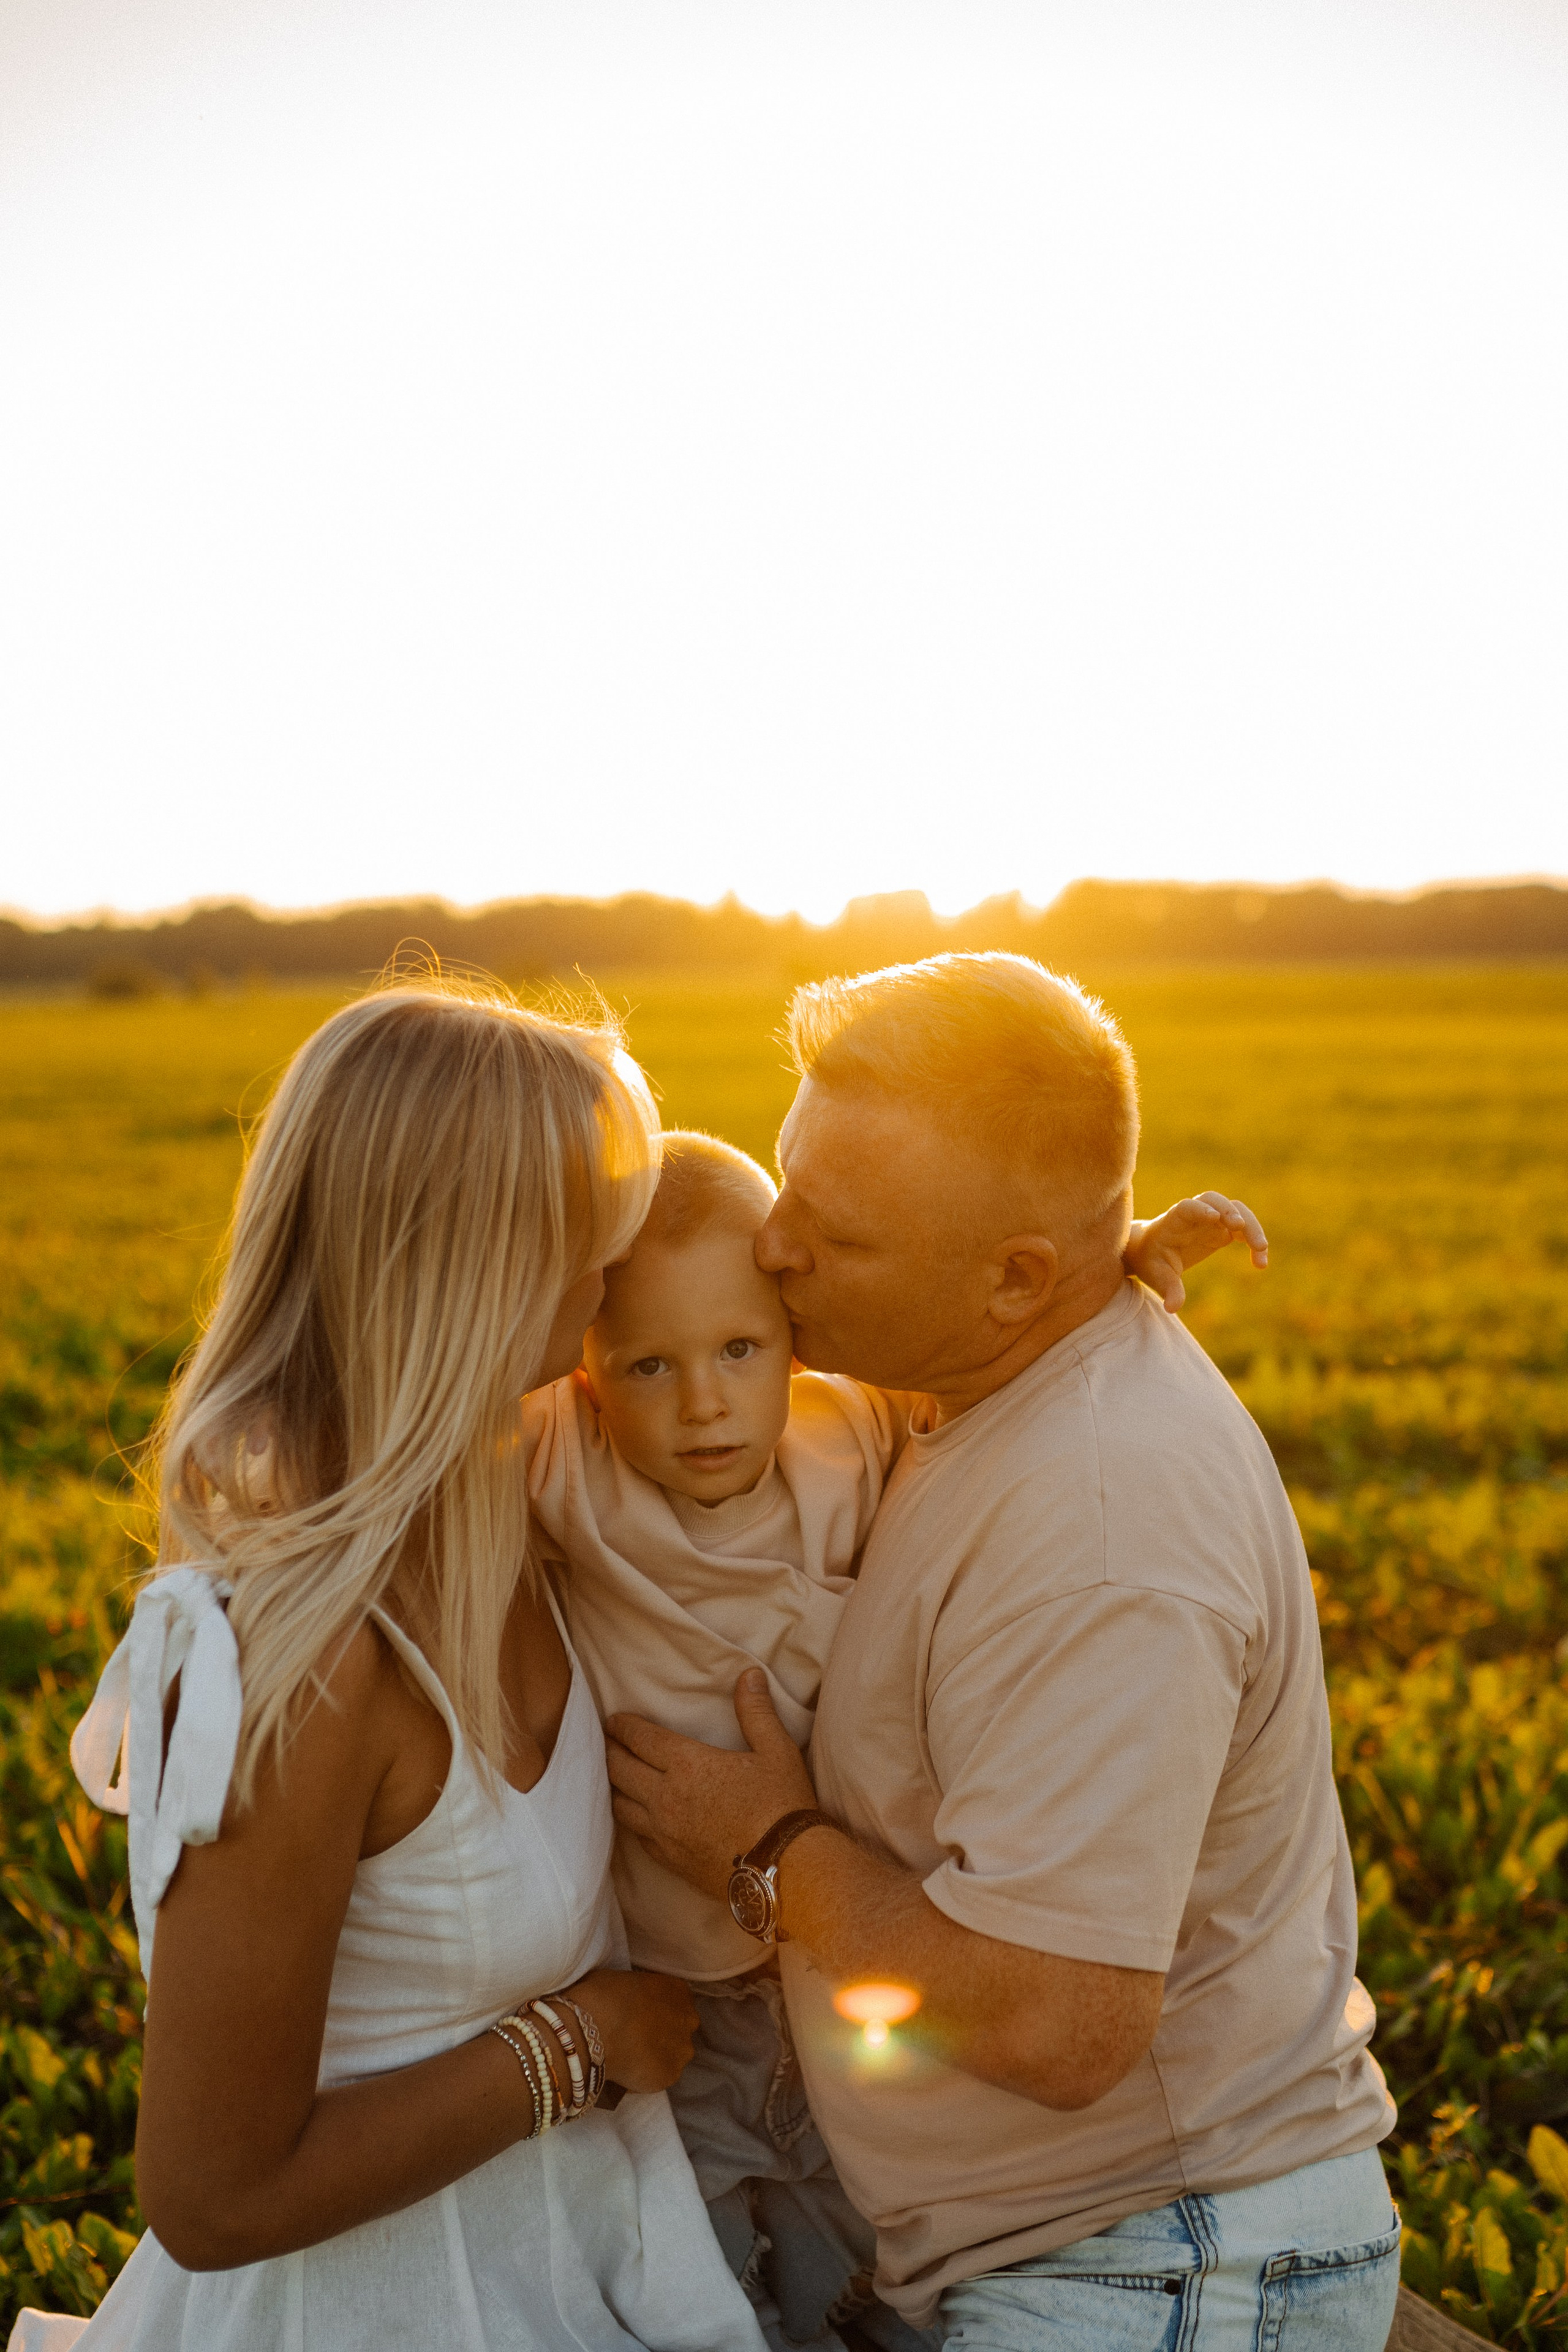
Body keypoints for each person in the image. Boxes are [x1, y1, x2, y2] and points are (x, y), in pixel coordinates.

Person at [603, 952, 1402, 2352]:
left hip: (1156, 2267)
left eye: (833, 1234)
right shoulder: (969, 1383)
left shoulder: (1102, 1530)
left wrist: (767, 1850)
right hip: (1083, 2257)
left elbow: (1058, 2023)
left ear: (1015, 1279)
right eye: (787, 1190)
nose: (775, 1246)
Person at [18, 982, 767, 2352]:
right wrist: (575, 2045)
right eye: (588, 1231)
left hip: (561, 2286)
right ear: (473, 1261)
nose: (623, 1260)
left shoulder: (537, 1502)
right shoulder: (297, 1663)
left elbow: (785, 1357)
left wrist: (1078, 1259)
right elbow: (210, 2193)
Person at [523, 1128, 1269, 2352]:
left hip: (838, 1964)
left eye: (738, 1350)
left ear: (791, 1337)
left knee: (845, 2253)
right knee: (682, 2266)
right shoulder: (568, 1458)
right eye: (647, 1363)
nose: (702, 1400)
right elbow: (436, 1385)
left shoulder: (845, 1429)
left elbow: (986, 1323)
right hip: (676, 1986)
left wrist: (1119, 1257)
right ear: (588, 1362)